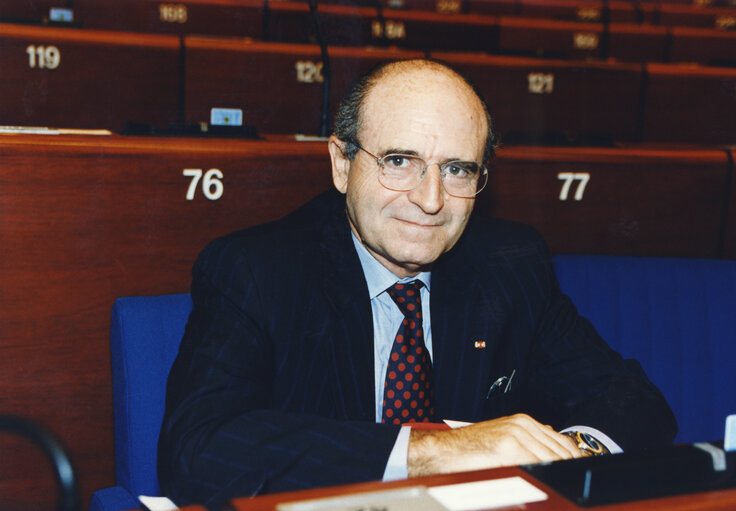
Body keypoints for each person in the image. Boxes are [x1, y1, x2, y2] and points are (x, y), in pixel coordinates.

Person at [158, 58, 677, 509]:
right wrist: (432, 451)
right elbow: (198, 449)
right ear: (342, 163)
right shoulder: (258, 271)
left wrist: (567, 457)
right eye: (400, 162)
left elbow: (630, 400)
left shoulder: (511, 265)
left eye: (457, 170)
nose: (431, 200)